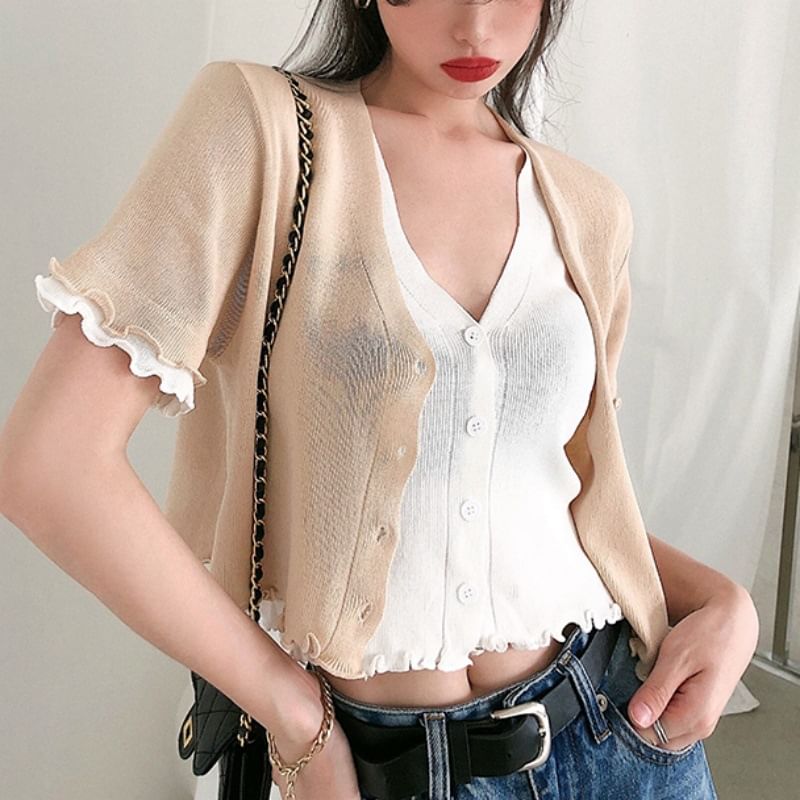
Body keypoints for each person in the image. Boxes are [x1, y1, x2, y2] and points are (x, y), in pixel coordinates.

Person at [0, 1, 759, 799]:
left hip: (618, 735)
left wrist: (721, 602)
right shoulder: (263, 133)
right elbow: (50, 464)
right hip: (378, 769)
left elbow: (550, 498)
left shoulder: (589, 209)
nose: (476, 24)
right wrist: (296, 716)